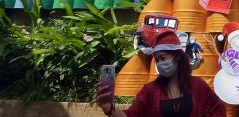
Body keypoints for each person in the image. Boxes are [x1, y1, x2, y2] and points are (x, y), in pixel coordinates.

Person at [96, 29, 226, 117]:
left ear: (178, 56)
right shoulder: (150, 91)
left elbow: (218, 109)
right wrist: (109, 108)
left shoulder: (198, 86)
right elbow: (131, 115)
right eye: (157, 60)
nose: (160, 63)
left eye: (163, 58)